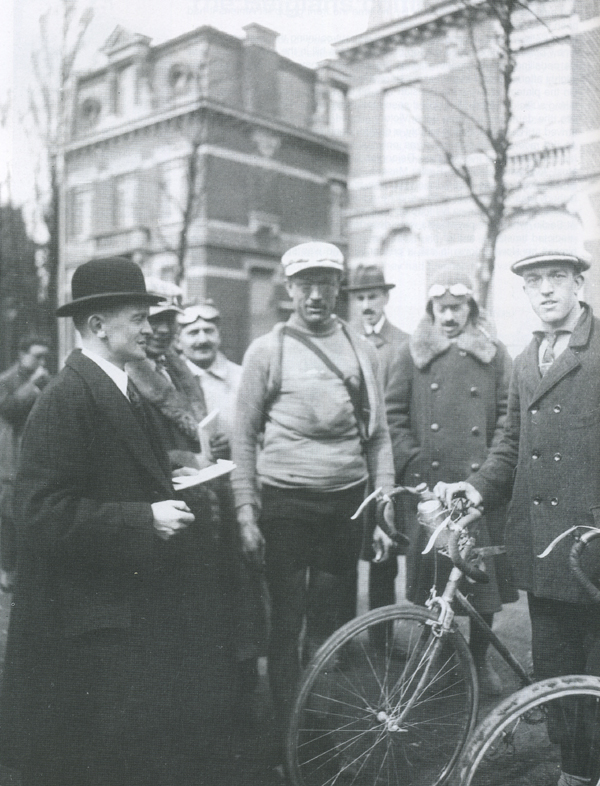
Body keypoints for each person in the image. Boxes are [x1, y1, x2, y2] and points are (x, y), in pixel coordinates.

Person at [0, 257, 236, 786]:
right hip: (86, 627)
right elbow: (38, 513)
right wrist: (143, 519)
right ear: (97, 326)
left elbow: (116, 475)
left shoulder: (120, 388)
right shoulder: (65, 398)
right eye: (137, 317)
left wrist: (177, 477)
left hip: (118, 614)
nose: (151, 328)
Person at [436, 251, 599, 786]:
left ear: (579, 283)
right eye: (534, 281)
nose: (546, 290)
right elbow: (509, 445)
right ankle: (574, 773)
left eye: (557, 278)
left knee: (594, 682)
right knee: (556, 675)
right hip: (545, 549)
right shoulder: (527, 358)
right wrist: (476, 489)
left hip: (593, 549)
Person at [231, 241, 396, 750]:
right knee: (287, 622)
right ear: (290, 290)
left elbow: (379, 435)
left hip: (345, 504)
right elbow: (243, 436)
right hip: (285, 506)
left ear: (338, 286)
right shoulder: (267, 350)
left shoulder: (359, 348)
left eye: (326, 282)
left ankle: (319, 729)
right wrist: (246, 512)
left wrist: (383, 505)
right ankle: (287, 731)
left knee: (330, 623)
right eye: (305, 284)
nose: (316, 294)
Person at [386, 265, 517, 695]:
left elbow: (506, 418)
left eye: (457, 307)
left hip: (480, 487)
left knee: (481, 579)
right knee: (432, 575)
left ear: (470, 308)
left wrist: (489, 478)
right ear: (431, 309)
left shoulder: (495, 354)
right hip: (431, 486)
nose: (448, 317)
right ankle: (435, 652)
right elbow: (395, 415)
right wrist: (417, 468)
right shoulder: (412, 353)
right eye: (441, 308)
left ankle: (479, 659)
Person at [177, 300, 266, 721]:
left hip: (243, 496)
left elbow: (258, 431)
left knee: (247, 594)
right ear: (179, 340)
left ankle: (245, 686)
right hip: (198, 507)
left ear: (220, 335)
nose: (200, 339)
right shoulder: (172, 382)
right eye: (191, 332)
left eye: (208, 330)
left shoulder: (241, 377)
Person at [345, 264, 409, 623]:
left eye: (372, 296)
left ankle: (381, 639)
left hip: (387, 463)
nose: (367, 304)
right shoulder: (342, 339)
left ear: (386, 297)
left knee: (385, 557)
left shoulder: (403, 343)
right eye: (360, 297)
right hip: (350, 461)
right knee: (345, 555)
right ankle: (341, 639)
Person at [0, 336, 50, 592]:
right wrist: (33, 385)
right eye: (36, 356)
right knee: (9, 516)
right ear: (21, 354)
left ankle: (25, 569)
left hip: (34, 455)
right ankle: (7, 571)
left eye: (45, 357)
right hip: (10, 461)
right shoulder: (7, 380)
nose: (42, 362)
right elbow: (8, 409)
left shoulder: (44, 378)